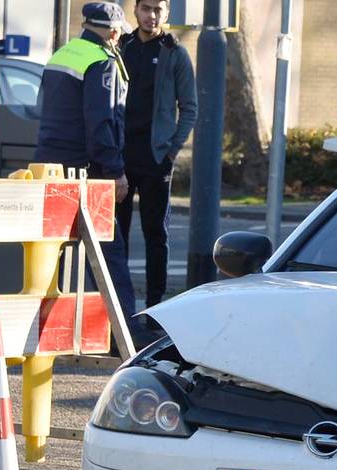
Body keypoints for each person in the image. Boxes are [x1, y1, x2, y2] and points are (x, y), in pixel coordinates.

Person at [35, 2, 137, 332]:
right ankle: (122, 331)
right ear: (112, 31)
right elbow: (101, 123)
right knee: (109, 254)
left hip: (49, 166)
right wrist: (114, 171)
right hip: (85, 171)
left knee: (51, 253)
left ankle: (47, 329)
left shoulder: (62, 54)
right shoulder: (102, 62)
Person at [119, 0, 196, 313]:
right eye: (146, 8)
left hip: (155, 159)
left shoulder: (175, 52)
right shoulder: (121, 47)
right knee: (115, 237)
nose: (152, 15)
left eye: (158, 10)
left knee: (156, 235)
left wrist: (172, 150)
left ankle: (154, 308)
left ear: (166, 13)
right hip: (120, 159)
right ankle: (119, 309)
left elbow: (189, 107)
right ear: (135, 11)